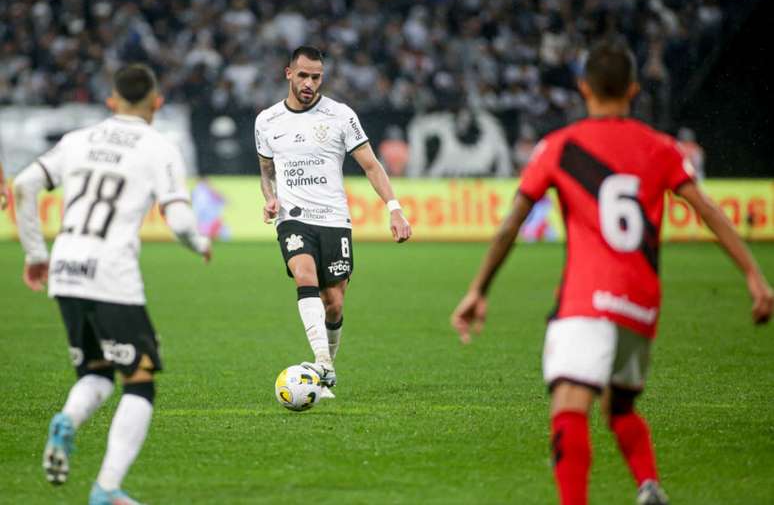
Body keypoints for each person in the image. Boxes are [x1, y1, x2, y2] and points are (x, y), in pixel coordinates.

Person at [450, 41, 773, 505]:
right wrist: (754, 276)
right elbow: (708, 211)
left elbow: (511, 225)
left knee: (569, 405)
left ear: (582, 88)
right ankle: (648, 485)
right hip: (641, 302)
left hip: (586, 300)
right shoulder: (661, 148)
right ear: (634, 90)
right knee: (619, 406)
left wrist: (478, 289)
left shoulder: (560, 147)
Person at [13, 64, 211, 505]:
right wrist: (198, 242)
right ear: (156, 104)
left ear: (111, 101)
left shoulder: (78, 139)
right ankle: (106, 489)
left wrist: (36, 254)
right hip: (110, 272)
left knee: (96, 371)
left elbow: (24, 185)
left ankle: (68, 417)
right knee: (140, 380)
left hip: (65, 268)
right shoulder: (160, 146)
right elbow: (178, 218)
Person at [255, 46, 412, 397]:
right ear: (288, 74)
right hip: (292, 219)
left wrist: (395, 208)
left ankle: (327, 368)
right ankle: (322, 364)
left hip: (334, 219)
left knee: (334, 303)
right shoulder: (266, 121)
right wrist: (270, 198)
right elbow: (266, 171)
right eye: (303, 76)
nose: (309, 83)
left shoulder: (340, 116)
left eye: (316, 77)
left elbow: (371, 165)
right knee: (304, 275)